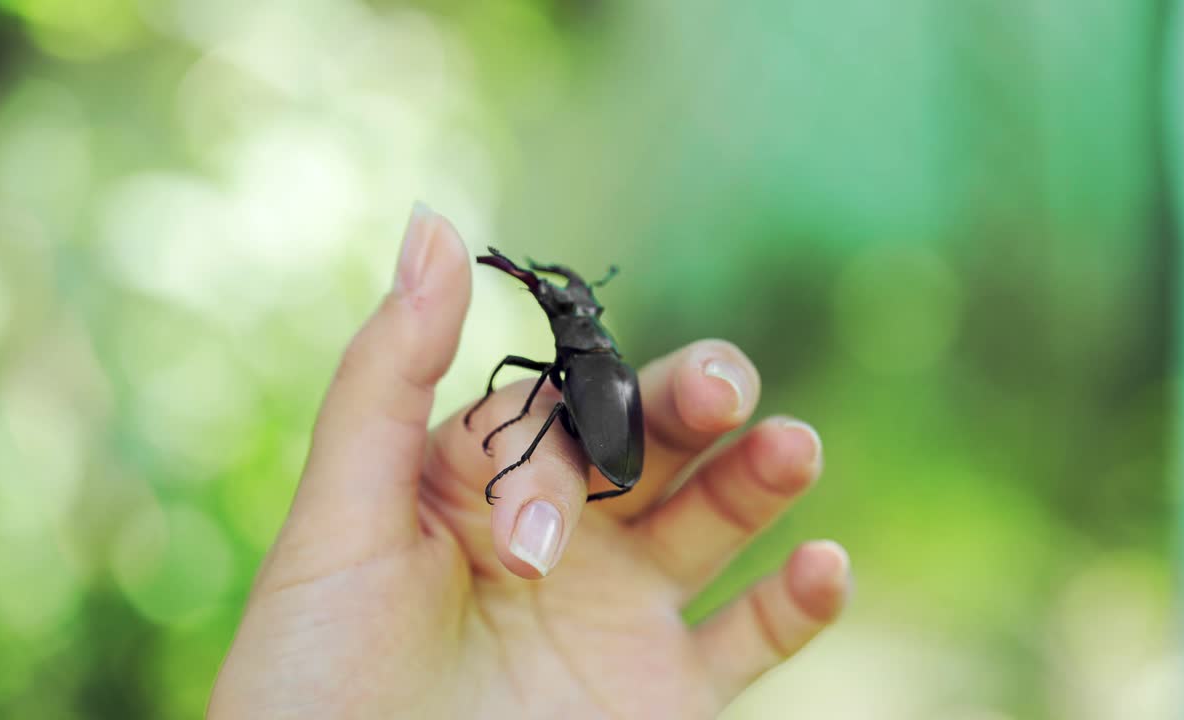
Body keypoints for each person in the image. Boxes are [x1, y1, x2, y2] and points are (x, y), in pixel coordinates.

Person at [208, 204, 851, 718]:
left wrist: (508, 427)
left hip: (604, 453)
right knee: (541, 403)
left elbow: (544, 407)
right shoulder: (603, 363)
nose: (560, 304)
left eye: (567, 305)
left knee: (542, 404)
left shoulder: (576, 373)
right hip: (607, 452)